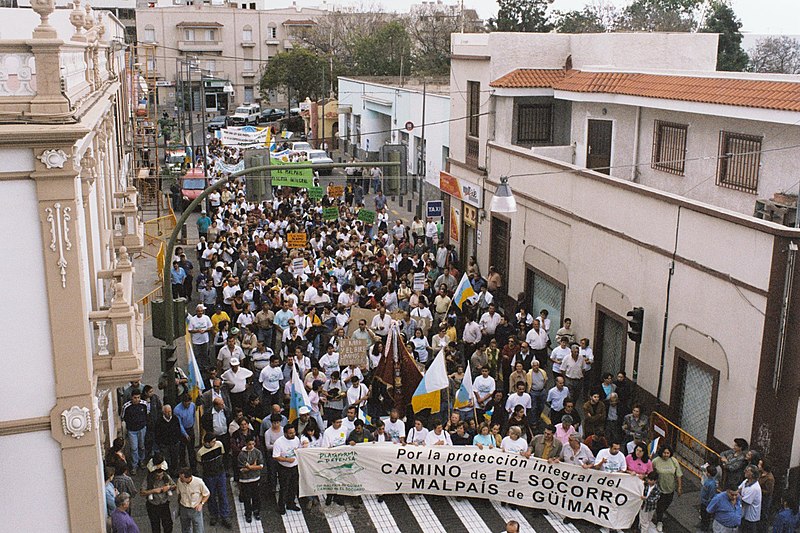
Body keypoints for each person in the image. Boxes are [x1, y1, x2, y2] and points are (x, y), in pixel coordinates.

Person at [196, 433, 230, 528]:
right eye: (212, 442)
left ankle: (225, 516)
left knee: (223, 495)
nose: (215, 443)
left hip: (220, 474)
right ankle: (213, 515)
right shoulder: (200, 453)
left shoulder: (219, 445)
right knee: (211, 496)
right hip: (209, 476)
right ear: (206, 443)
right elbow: (200, 464)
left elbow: (222, 455)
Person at [273, 425, 305, 514]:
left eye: (294, 432)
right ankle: (281, 506)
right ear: (285, 433)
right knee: (284, 488)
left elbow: (298, 448)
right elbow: (275, 456)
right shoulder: (279, 442)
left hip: (294, 467)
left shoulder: (296, 439)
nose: (293, 434)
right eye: (290, 433)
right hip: (284, 468)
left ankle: (290, 503)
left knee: (293, 487)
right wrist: (287, 460)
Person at [140, 457, 175, 533]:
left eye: (161, 476)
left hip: (164, 504)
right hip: (153, 505)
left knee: (168, 524)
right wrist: (153, 491)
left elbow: (174, 486)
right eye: (158, 476)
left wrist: (168, 487)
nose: (159, 477)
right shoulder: (148, 478)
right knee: (155, 526)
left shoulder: (166, 476)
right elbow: (142, 492)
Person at [652, 444, 683, 532]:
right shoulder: (655, 461)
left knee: (667, 503)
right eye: (664, 453)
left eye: (668, 453)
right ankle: (659, 521)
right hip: (659, 488)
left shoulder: (674, 461)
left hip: (670, 488)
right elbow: (651, 473)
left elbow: (678, 474)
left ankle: (658, 514)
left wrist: (679, 487)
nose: (666, 455)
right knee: (660, 506)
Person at [121, 388, 149, 473]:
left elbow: (147, 413)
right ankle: (134, 465)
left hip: (141, 428)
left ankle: (142, 460)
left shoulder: (144, 404)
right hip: (132, 430)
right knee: (134, 448)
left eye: (138, 397)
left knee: (142, 446)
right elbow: (122, 417)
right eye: (135, 398)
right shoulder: (126, 406)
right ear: (131, 397)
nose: (137, 399)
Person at [237, 435, 263, 523]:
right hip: (245, 480)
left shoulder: (257, 452)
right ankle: (248, 514)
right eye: (249, 444)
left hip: (256, 479)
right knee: (247, 498)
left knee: (256, 497)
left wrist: (250, 467)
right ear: (246, 444)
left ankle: (256, 512)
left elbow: (261, 466)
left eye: (253, 444)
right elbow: (242, 469)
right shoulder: (241, 454)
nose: (251, 446)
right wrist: (254, 466)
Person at [177, 467, 210, 533]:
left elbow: (207, 494)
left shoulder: (199, 482)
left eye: (182, 478)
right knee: (185, 529)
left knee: (198, 530)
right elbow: (179, 494)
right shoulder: (179, 481)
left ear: (188, 477)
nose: (180, 480)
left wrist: (201, 504)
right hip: (184, 508)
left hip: (195, 509)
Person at [739, 464, 762, 533]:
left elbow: (744, 501)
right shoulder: (746, 481)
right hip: (744, 515)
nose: (745, 471)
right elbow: (738, 490)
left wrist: (737, 495)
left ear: (752, 474)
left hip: (751, 518)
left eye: (747, 470)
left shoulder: (754, 488)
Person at [700, 465, 719, 532]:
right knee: (703, 516)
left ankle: (704, 529)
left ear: (709, 474)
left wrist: (708, 505)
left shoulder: (711, 484)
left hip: (706, 504)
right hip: (704, 502)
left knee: (706, 518)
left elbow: (711, 496)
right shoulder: (708, 481)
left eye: (706, 472)